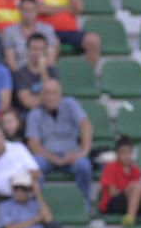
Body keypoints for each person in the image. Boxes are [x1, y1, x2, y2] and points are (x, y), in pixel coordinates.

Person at [26, 79, 92, 209]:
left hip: (71, 154)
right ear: (41, 95)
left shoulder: (70, 104)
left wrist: (83, 152)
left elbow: (86, 125)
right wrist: (55, 159)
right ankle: (39, 205)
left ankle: (84, 203)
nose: (51, 97)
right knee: (34, 165)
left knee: (84, 166)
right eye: (47, 93)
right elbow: (34, 144)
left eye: (54, 93)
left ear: (60, 94)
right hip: (47, 156)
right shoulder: (34, 114)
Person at [98, 136, 141, 228]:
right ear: (117, 154)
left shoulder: (136, 170)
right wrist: (129, 189)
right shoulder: (110, 168)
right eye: (123, 153)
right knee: (137, 186)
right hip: (112, 205)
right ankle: (130, 221)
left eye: (129, 152)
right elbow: (112, 193)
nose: (126, 155)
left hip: (132, 202)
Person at [34, 0, 100, 67]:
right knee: (54, 44)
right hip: (48, 30)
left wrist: (53, 9)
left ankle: (88, 75)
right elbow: (39, 8)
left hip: (70, 31)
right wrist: (67, 8)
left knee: (93, 40)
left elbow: (78, 8)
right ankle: (50, 75)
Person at [2, 0, 58, 71]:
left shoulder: (47, 30)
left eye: (32, 10)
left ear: (37, 11)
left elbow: (50, 59)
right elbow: (11, 63)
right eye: (25, 10)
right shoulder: (9, 31)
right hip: (20, 73)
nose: (28, 13)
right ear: (19, 10)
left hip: (43, 71)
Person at [12, 32, 56, 113]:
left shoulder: (52, 71)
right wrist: (48, 99)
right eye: (34, 49)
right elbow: (28, 102)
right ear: (28, 50)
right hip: (28, 113)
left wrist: (43, 71)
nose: (37, 53)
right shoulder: (20, 73)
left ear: (45, 51)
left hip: (49, 112)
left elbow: (55, 98)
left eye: (41, 49)